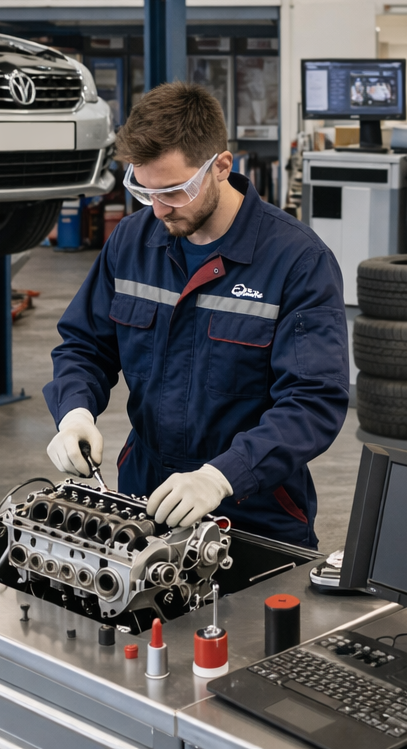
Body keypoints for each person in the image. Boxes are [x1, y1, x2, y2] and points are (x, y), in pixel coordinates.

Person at [44, 83, 348, 547]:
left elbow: (313, 401)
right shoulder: (132, 241)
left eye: (174, 191)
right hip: (144, 497)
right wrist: (75, 411)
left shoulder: (296, 260)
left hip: (253, 511)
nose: (159, 209)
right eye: (145, 192)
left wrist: (221, 477)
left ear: (221, 167)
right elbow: (85, 344)